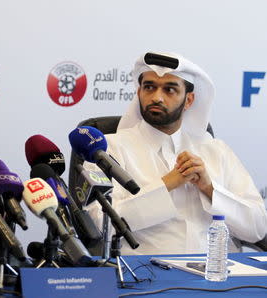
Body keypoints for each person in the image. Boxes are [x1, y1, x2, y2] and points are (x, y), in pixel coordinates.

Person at [86, 51, 267, 255]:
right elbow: (100, 226)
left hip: (218, 275)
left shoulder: (216, 150)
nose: (157, 97)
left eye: (170, 89)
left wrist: (210, 188)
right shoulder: (107, 149)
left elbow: (258, 227)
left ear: (189, 100)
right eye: (149, 87)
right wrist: (167, 184)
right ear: (138, 93)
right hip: (147, 277)